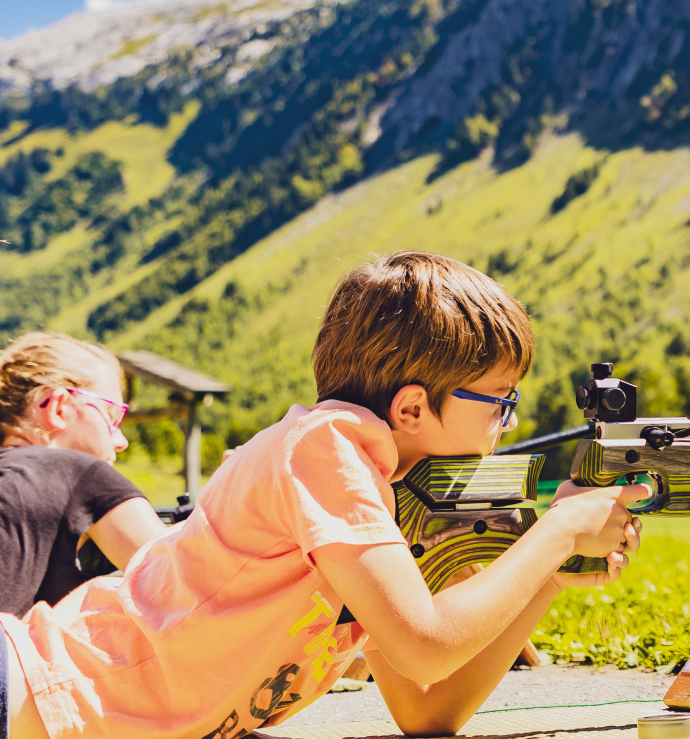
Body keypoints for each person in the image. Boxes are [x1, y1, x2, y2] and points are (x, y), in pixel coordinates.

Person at [1, 252, 646, 739]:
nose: (508, 423)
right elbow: (425, 643)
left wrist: (550, 577)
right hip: (28, 685)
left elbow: (427, 707)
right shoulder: (327, 443)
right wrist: (555, 531)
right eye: (500, 402)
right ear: (413, 407)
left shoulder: (374, 486)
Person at [0, 333, 166, 618]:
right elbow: (189, 583)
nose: (121, 440)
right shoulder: (77, 472)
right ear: (56, 407)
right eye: (112, 417)